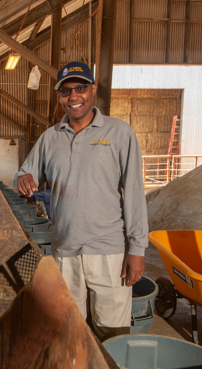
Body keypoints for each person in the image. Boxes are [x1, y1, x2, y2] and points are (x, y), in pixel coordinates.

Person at [14, 61, 148, 338]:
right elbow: (26, 171)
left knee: (113, 333)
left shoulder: (119, 133)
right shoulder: (50, 138)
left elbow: (134, 192)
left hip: (108, 251)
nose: (73, 96)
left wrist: (137, 248)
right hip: (64, 250)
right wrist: (22, 178)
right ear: (58, 97)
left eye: (81, 88)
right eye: (66, 91)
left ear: (93, 90)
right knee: (69, 331)